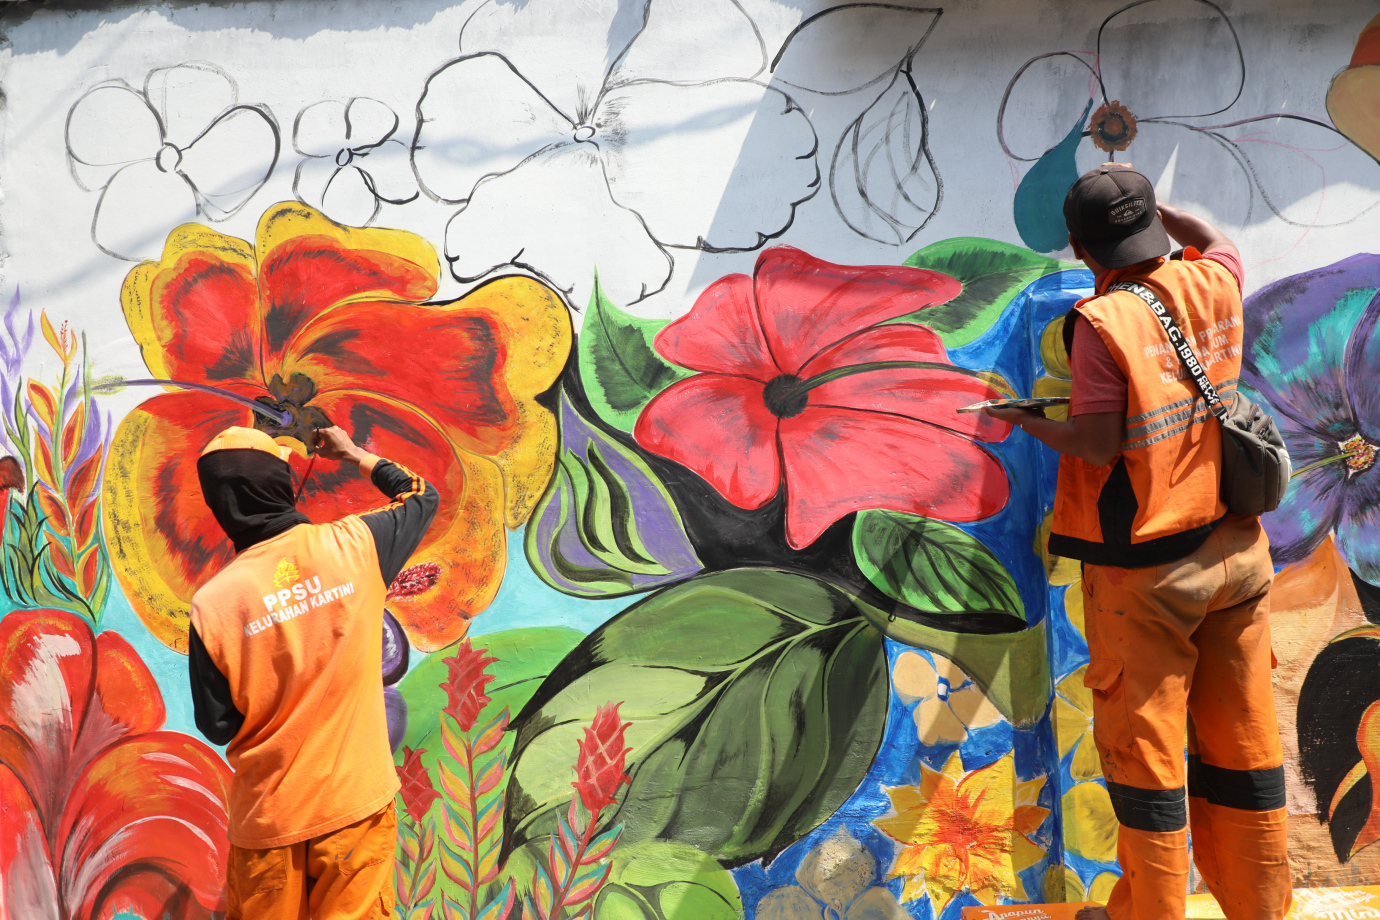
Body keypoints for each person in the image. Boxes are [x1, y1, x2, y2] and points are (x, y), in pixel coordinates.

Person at [986, 165, 1290, 920]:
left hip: (1149, 577)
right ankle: (1260, 904)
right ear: (1155, 223)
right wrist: (1163, 211)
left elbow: (1095, 445)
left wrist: (1028, 421)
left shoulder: (1102, 324)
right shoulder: (1214, 279)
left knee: (1146, 763)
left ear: (1080, 250)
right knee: (1243, 746)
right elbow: (1216, 239)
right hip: (1238, 553)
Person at [187, 424, 438, 920]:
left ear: (220, 505)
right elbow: (421, 496)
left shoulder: (211, 606)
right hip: (354, 809)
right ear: (280, 483)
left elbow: (217, 725)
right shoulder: (356, 546)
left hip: (268, 823)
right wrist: (354, 454)